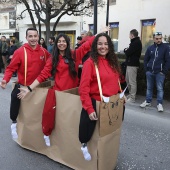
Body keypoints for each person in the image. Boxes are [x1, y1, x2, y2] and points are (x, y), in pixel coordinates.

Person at [17, 27, 110, 146]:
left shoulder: (74, 55)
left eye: (64, 41)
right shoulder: (52, 58)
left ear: (67, 43)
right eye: (59, 41)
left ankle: (76, 144)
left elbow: (87, 45)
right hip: (58, 94)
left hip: (72, 94)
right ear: (56, 44)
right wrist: (29, 88)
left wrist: (98, 34)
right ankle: (49, 135)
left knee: (71, 121)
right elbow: (43, 75)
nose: (61, 43)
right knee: (54, 118)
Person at [0, 27, 51, 141]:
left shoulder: (43, 51)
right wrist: (5, 80)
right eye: (30, 36)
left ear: (38, 37)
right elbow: (10, 68)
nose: (33, 38)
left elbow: (52, 62)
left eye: (35, 36)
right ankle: (14, 122)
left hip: (40, 88)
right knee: (14, 96)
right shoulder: (20, 52)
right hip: (23, 86)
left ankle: (46, 133)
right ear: (26, 37)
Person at [78, 33, 122, 161]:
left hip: (112, 104)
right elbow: (83, 88)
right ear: (95, 46)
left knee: (109, 134)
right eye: (100, 44)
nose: (103, 47)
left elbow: (115, 81)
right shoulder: (90, 63)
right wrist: (89, 108)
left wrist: (120, 95)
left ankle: (105, 156)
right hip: (97, 104)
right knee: (93, 134)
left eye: (106, 44)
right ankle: (84, 145)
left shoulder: (112, 62)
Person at [140, 32, 170, 112]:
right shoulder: (150, 48)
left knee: (160, 88)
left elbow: (168, 61)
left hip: (160, 73)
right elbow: (146, 59)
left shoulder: (166, 48)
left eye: (160, 38)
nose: (158, 40)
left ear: (162, 38)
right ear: (154, 39)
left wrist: (163, 71)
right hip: (150, 72)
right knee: (149, 88)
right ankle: (148, 101)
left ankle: (159, 104)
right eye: (157, 39)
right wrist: (146, 70)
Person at [124, 29, 142, 103]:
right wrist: (127, 50)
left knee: (132, 81)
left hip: (133, 65)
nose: (129, 36)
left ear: (132, 35)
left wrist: (126, 50)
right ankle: (131, 94)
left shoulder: (136, 43)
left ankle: (132, 97)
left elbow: (128, 52)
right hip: (130, 64)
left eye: (129, 34)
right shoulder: (134, 42)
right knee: (127, 80)